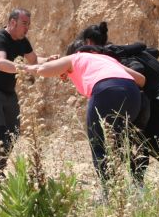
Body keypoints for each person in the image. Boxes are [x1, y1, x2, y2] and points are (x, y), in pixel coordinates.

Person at [24, 40, 146, 188]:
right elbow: (141, 79)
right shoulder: (107, 59)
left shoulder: (75, 57)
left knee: (99, 144)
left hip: (106, 90)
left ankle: (110, 194)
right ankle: (137, 186)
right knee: (119, 143)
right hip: (133, 96)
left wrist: (23, 68)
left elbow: (43, 69)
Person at [77, 22, 159, 185]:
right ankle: (138, 184)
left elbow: (138, 68)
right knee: (140, 141)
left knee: (148, 144)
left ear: (89, 43)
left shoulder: (114, 56)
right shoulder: (123, 51)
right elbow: (153, 51)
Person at [0, 8, 58, 182]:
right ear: (12, 22)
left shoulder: (23, 41)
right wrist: (26, 69)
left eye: (28, 24)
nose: (27, 27)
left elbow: (35, 61)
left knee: (13, 131)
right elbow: (0, 63)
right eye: (24, 24)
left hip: (8, 91)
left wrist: (50, 61)